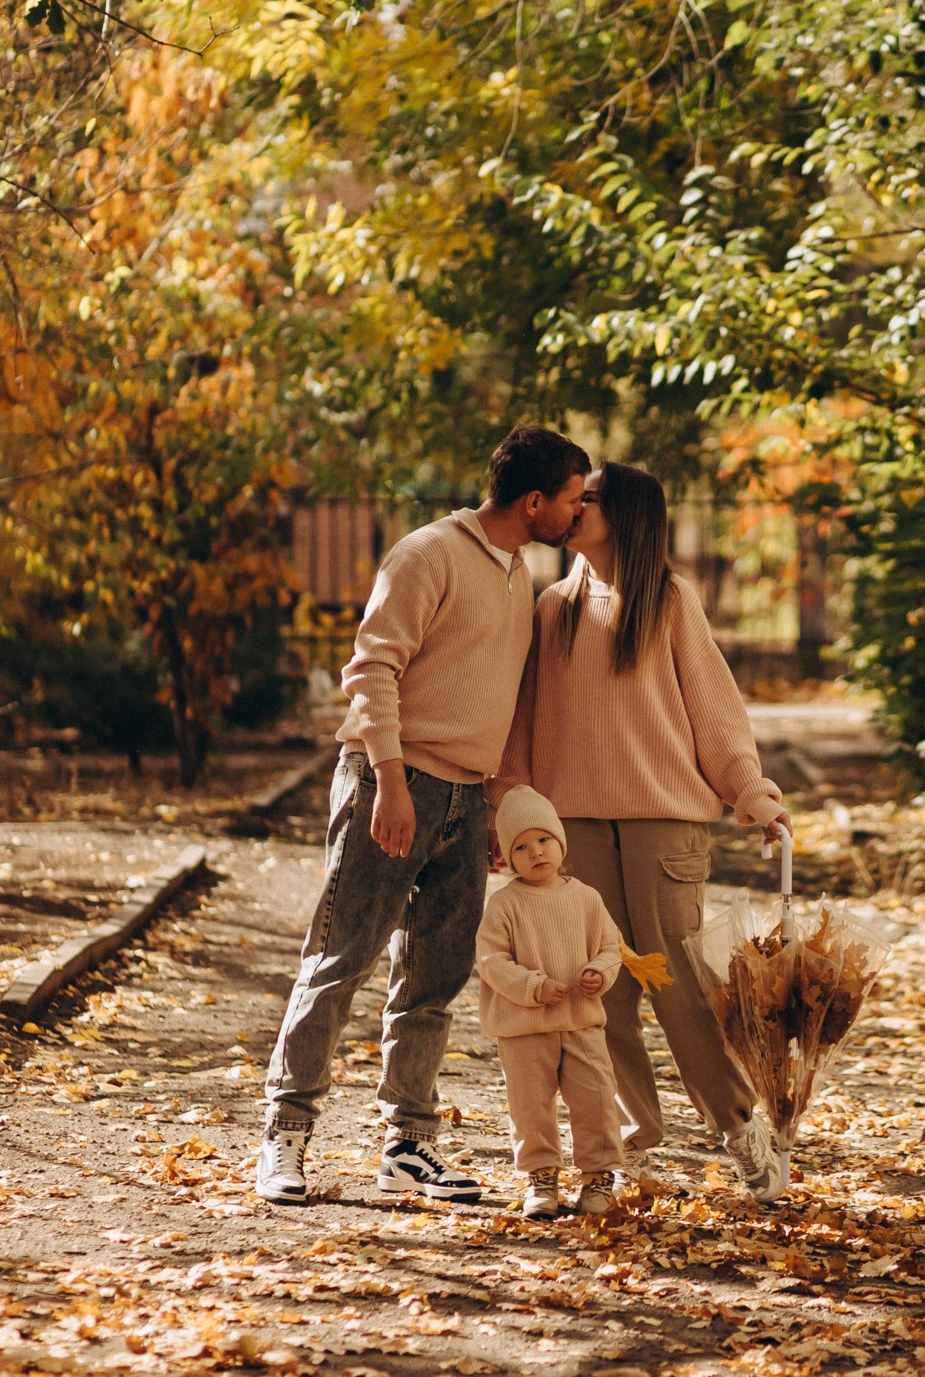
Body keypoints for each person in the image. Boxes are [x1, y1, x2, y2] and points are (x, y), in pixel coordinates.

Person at [255, 425, 592, 1207]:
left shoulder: (521, 575)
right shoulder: (427, 554)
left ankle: (408, 1148)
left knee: (432, 982)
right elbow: (371, 668)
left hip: (465, 802)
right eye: (573, 500)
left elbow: (499, 704)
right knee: (340, 962)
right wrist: (391, 782)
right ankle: (286, 1134)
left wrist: (495, 807)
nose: (577, 515)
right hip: (393, 785)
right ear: (534, 500)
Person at [494, 460, 792, 1202]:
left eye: (587, 499)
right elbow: (524, 726)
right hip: (573, 831)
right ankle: (630, 1133)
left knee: (681, 987)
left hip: (665, 827)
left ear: (622, 515)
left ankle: (740, 1128)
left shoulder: (667, 601)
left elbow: (715, 714)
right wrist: (513, 816)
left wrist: (752, 794)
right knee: (597, 991)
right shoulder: (551, 607)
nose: (572, 510)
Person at [473, 786, 626, 1219]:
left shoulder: (586, 898)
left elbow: (609, 948)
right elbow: (490, 960)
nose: (535, 852)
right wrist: (533, 986)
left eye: (543, 841)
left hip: (581, 1021)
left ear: (560, 843)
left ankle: (598, 1179)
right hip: (524, 1027)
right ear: (505, 856)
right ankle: (542, 1179)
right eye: (520, 846)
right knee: (531, 1106)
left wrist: (599, 973)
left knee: (596, 1099)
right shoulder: (503, 904)